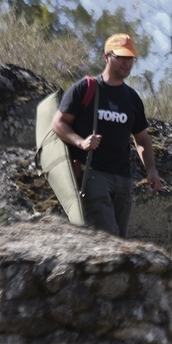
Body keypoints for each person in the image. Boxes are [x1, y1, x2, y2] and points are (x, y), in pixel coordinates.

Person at [52, 33, 161, 238]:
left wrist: (152, 171)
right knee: (108, 238)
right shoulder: (86, 88)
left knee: (119, 241)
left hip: (123, 178)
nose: (126, 63)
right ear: (106, 57)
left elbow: (142, 138)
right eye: (121, 57)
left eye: (130, 58)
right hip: (93, 174)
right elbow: (58, 123)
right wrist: (81, 142)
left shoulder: (132, 98)